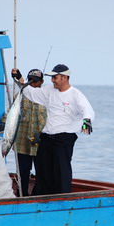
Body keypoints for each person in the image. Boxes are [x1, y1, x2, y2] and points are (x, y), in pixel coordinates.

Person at [12, 64, 94, 195]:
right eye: (52, 77)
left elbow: (87, 110)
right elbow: (30, 92)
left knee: (61, 170)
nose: (52, 80)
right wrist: (19, 78)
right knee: (43, 169)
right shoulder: (49, 91)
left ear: (64, 78)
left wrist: (86, 121)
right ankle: (41, 196)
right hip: (46, 137)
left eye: (55, 77)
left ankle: (63, 196)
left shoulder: (75, 94)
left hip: (64, 139)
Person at [14, 69, 47, 196]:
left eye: (36, 81)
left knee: (43, 172)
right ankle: (21, 195)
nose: (32, 84)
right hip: (22, 143)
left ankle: (37, 195)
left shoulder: (47, 98)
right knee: (22, 172)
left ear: (42, 82)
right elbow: (11, 113)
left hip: (41, 143)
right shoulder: (20, 96)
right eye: (30, 81)